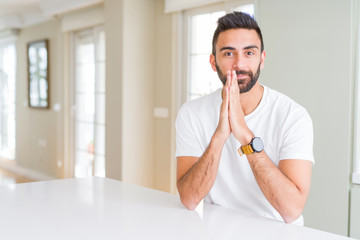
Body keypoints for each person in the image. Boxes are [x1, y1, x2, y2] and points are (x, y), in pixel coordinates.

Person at [175, 11, 314, 225]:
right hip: (217, 231)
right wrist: (220, 136)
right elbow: (189, 199)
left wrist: (246, 137)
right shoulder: (191, 114)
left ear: (262, 59)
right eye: (229, 54)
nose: (239, 64)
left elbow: (291, 210)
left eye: (249, 53)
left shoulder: (293, 116)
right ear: (213, 62)